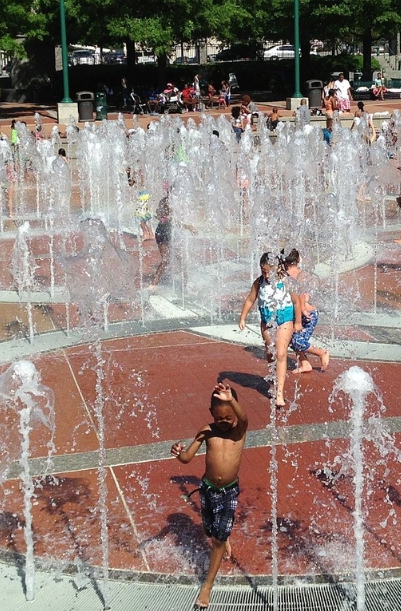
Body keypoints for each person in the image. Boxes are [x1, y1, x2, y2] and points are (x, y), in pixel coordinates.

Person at [171, 382, 249, 609]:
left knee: (217, 538)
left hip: (229, 492)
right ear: (211, 414)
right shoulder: (207, 431)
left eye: (228, 417)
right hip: (207, 489)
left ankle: (207, 586)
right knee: (208, 529)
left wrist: (231, 400)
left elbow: (243, 418)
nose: (224, 422)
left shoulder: (239, 430)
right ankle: (222, 538)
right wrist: (179, 454)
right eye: (219, 418)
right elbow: (187, 458)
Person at [238, 252, 295, 408]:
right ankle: (275, 377)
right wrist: (242, 317)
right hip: (267, 321)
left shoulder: (285, 280)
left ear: (276, 269)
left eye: (268, 271)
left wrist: (299, 320)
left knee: (281, 353)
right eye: (263, 271)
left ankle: (279, 393)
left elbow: (297, 299)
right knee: (271, 353)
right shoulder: (259, 282)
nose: (265, 274)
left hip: (285, 319)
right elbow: (251, 299)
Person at [283, 250, 330, 374]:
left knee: (297, 341)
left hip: (307, 315)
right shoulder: (303, 275)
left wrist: (302, 310)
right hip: (300, 313)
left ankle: (321, 352)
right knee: (290, 339)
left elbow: (301, 296)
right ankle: (305, 364)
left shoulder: (288, 276)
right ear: (298, 260)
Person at [150, 191, 172, 286]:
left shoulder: (166, 202)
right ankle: (154, 283)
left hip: (165, 232)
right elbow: (169, 219)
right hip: (162, 233)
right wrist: (188, 227)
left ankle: (186, 283)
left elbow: (158, 214)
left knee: (180, 257)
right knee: (165, 260)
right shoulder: (166, 202)